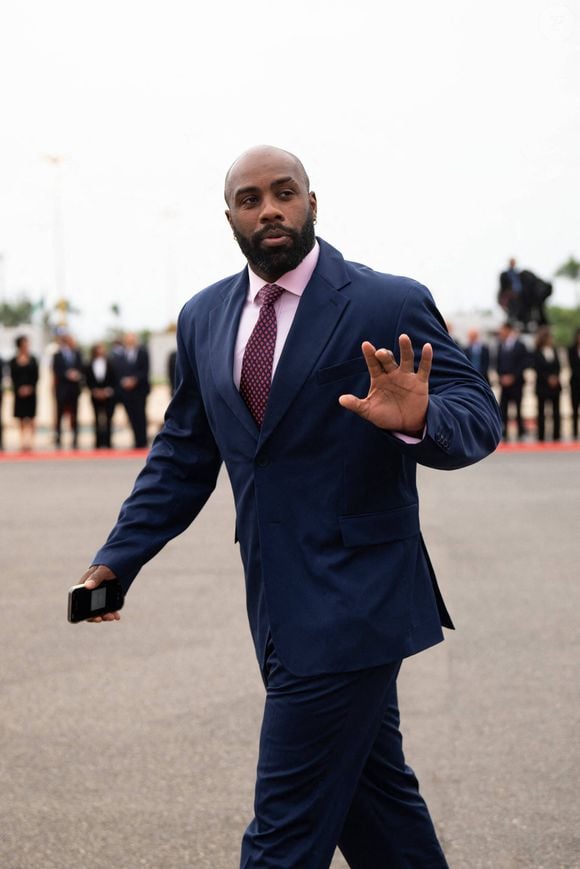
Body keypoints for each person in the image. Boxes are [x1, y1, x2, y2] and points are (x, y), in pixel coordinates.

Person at [78, 145, 502, 869]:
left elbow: (478, 416)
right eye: (250, 199)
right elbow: (183, 455)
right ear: (230, 218)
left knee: (283, 834)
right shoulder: (205, 316)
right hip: (275, 600)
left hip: (356, 601)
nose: (269, 208)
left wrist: (418, 417)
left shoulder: (383, 300)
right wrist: (115, 563)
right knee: (378, 811)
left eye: (284, 193)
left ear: (312, 202)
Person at [111, 332, 150, 448]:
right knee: (131, 416)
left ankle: (142, 440)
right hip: (125, 392)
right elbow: (117, 371)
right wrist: (124, 382)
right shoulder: (121, 355)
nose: (130, 341)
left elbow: (145, 370)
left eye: (132, 339)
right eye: (128, 339)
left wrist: (134, 380)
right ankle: (136, 440)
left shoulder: (143, 353)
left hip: (139, 390)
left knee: (140, 416)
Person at [496, 322, 529, 440]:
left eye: (502, 330)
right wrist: (501, 376)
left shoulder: (520, 345)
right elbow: (498, 363)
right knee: (503, 408)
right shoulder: (501, 345)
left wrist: (513, 377)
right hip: (504, 383)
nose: (501, 333)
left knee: (518, 408)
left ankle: (521, 432)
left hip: (516, 383)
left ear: (508, 330)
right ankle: (503, 432)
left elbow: (523, 363)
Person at [53, 333, 83, 449]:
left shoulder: (77, 354)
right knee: (59, 414)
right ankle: (58, 438)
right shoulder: (57, 355)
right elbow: (57, 370)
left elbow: (81, 368)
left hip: (74, 389)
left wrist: (76, 374)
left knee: (74, 414)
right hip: (62, 389)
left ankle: (75, 438)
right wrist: (67, 374)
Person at [10, 335, 39, 452]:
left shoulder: (33, 360)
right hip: (19, 393)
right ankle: (22, 442)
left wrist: (30, 388)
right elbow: (13, 377)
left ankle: (31, 442)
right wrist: (20, 389)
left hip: (31, 392)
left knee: (31, 417)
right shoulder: (13, 360)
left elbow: (36, 376)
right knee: (21, 418)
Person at [84, 343, 117, 448]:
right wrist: (95, 390)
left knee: (108, 418)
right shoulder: (89, 364)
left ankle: (108, 442)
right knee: (97, 419)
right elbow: (87, 379)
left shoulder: (110, 363)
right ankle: (98, 443)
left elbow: (114, 379)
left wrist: (107, 391)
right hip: (95, 395)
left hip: (108, 395)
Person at [532, 327, 561, 442]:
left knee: (556, 411)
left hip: (555, 386)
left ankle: (556, 434)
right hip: (542, 386)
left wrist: (555, 377)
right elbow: (538, 368)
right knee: (541, 411)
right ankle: (541, 435)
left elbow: (558, 366)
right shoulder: (537, 352)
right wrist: (548, 378)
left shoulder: (554, 351)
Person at [568, 327, 580, 439]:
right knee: (575, 408)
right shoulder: (571, 349)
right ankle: (575, 432)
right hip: (576, 383)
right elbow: (573, 366)